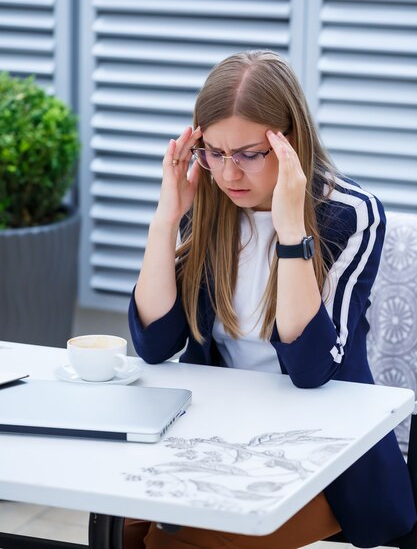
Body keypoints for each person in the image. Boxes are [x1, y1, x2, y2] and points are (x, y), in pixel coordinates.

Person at [127, 50, 416, 549]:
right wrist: (166, 218)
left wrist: (289, 228)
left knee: (174, 541)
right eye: (213, 152)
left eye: (248, 154)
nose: (228, 174)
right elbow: (155, 344)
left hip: (320, 453)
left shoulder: (350, 213)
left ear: (290, 143)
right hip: (215, 434)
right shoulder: (212, 200)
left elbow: (309, 369)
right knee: (120, 518)